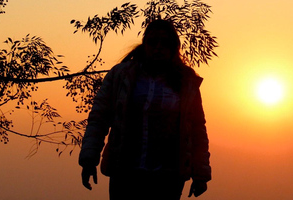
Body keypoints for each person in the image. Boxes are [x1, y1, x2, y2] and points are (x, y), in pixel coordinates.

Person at [79, 19, 211, 199]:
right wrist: (89, 159)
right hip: (125, 174)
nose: (158, 47)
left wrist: (200, 174)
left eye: (165, 43)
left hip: (168, 178)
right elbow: (99, 119)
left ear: (174, 47)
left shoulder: (186, 82)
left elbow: (197, 130)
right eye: (153, 41)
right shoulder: (120, 76)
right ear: (144, 44)